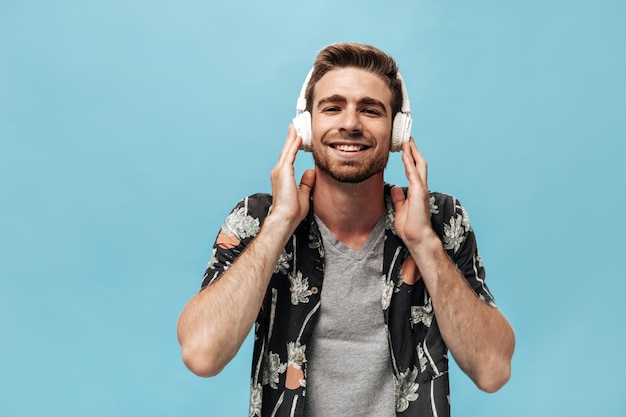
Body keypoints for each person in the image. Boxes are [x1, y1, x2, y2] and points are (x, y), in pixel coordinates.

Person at [177, 42, 515, 417]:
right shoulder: (258, 219)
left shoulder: (440, 219)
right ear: (305, 128)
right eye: (332, 107)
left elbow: (493, 370)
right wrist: (278, 226)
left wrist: (424, 244)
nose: (350, 124)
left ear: (397, 133)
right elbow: (201, 354)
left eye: (370, 110)